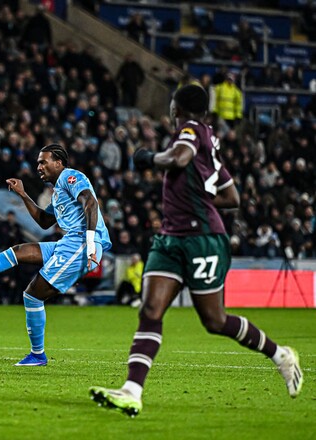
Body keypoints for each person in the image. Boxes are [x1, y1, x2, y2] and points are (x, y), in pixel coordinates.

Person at [89, 85, 303, 417]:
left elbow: (179, 158)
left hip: (202, 238)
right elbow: (232, 197)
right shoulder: (210, 143)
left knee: (214, 320)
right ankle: (131, 391)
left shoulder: (189, 131)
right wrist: (198, 195)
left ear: (176, 108)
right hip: (170, 238)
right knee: (150, 309)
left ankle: (281, 355)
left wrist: (150, 159)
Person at [0, 144, 112, 366]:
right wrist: (23, 195)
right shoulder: (57, 193)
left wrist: (91, 244)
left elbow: (90, 202)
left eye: (43, 162)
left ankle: (38, 355)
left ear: (58, 163)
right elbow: (44, 221)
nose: (39, 166)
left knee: (33, 295)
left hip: (82, 245)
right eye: (38, 162)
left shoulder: (71, 177)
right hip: (69, 243)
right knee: (18, 252)